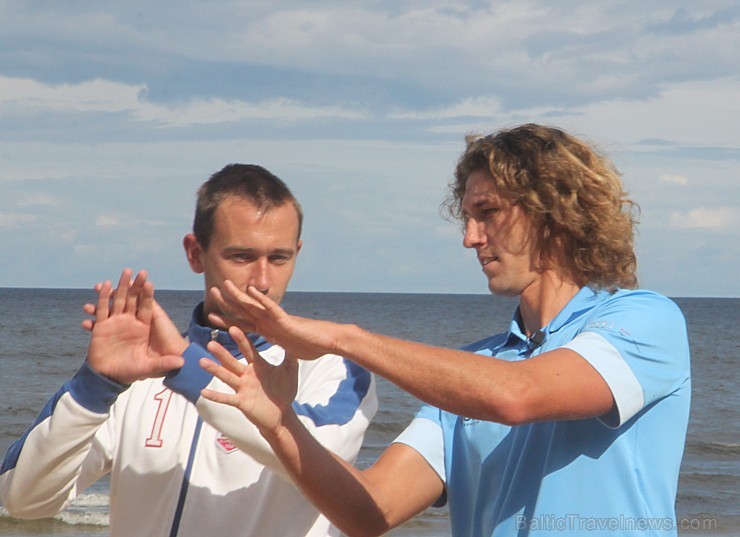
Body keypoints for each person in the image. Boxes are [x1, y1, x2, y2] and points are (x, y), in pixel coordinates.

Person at [198, 125, 691, 537]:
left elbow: (518, 396)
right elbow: (371, 511)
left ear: (554, 210)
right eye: (469, 217)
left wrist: (341, 338)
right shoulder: (470, 376)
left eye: (489, 213)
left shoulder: (646, 320)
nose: (470, 237)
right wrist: (281, 422)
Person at [0, 164, 377, 537]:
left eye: (279, 258)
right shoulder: (142, 373)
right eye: (242, 256)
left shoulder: (332, 365)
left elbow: (325, 458)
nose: (263, 280)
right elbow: (25, 500)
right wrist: (95, 385)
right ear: (195, 253)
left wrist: (188, 369)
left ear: (297, 253)